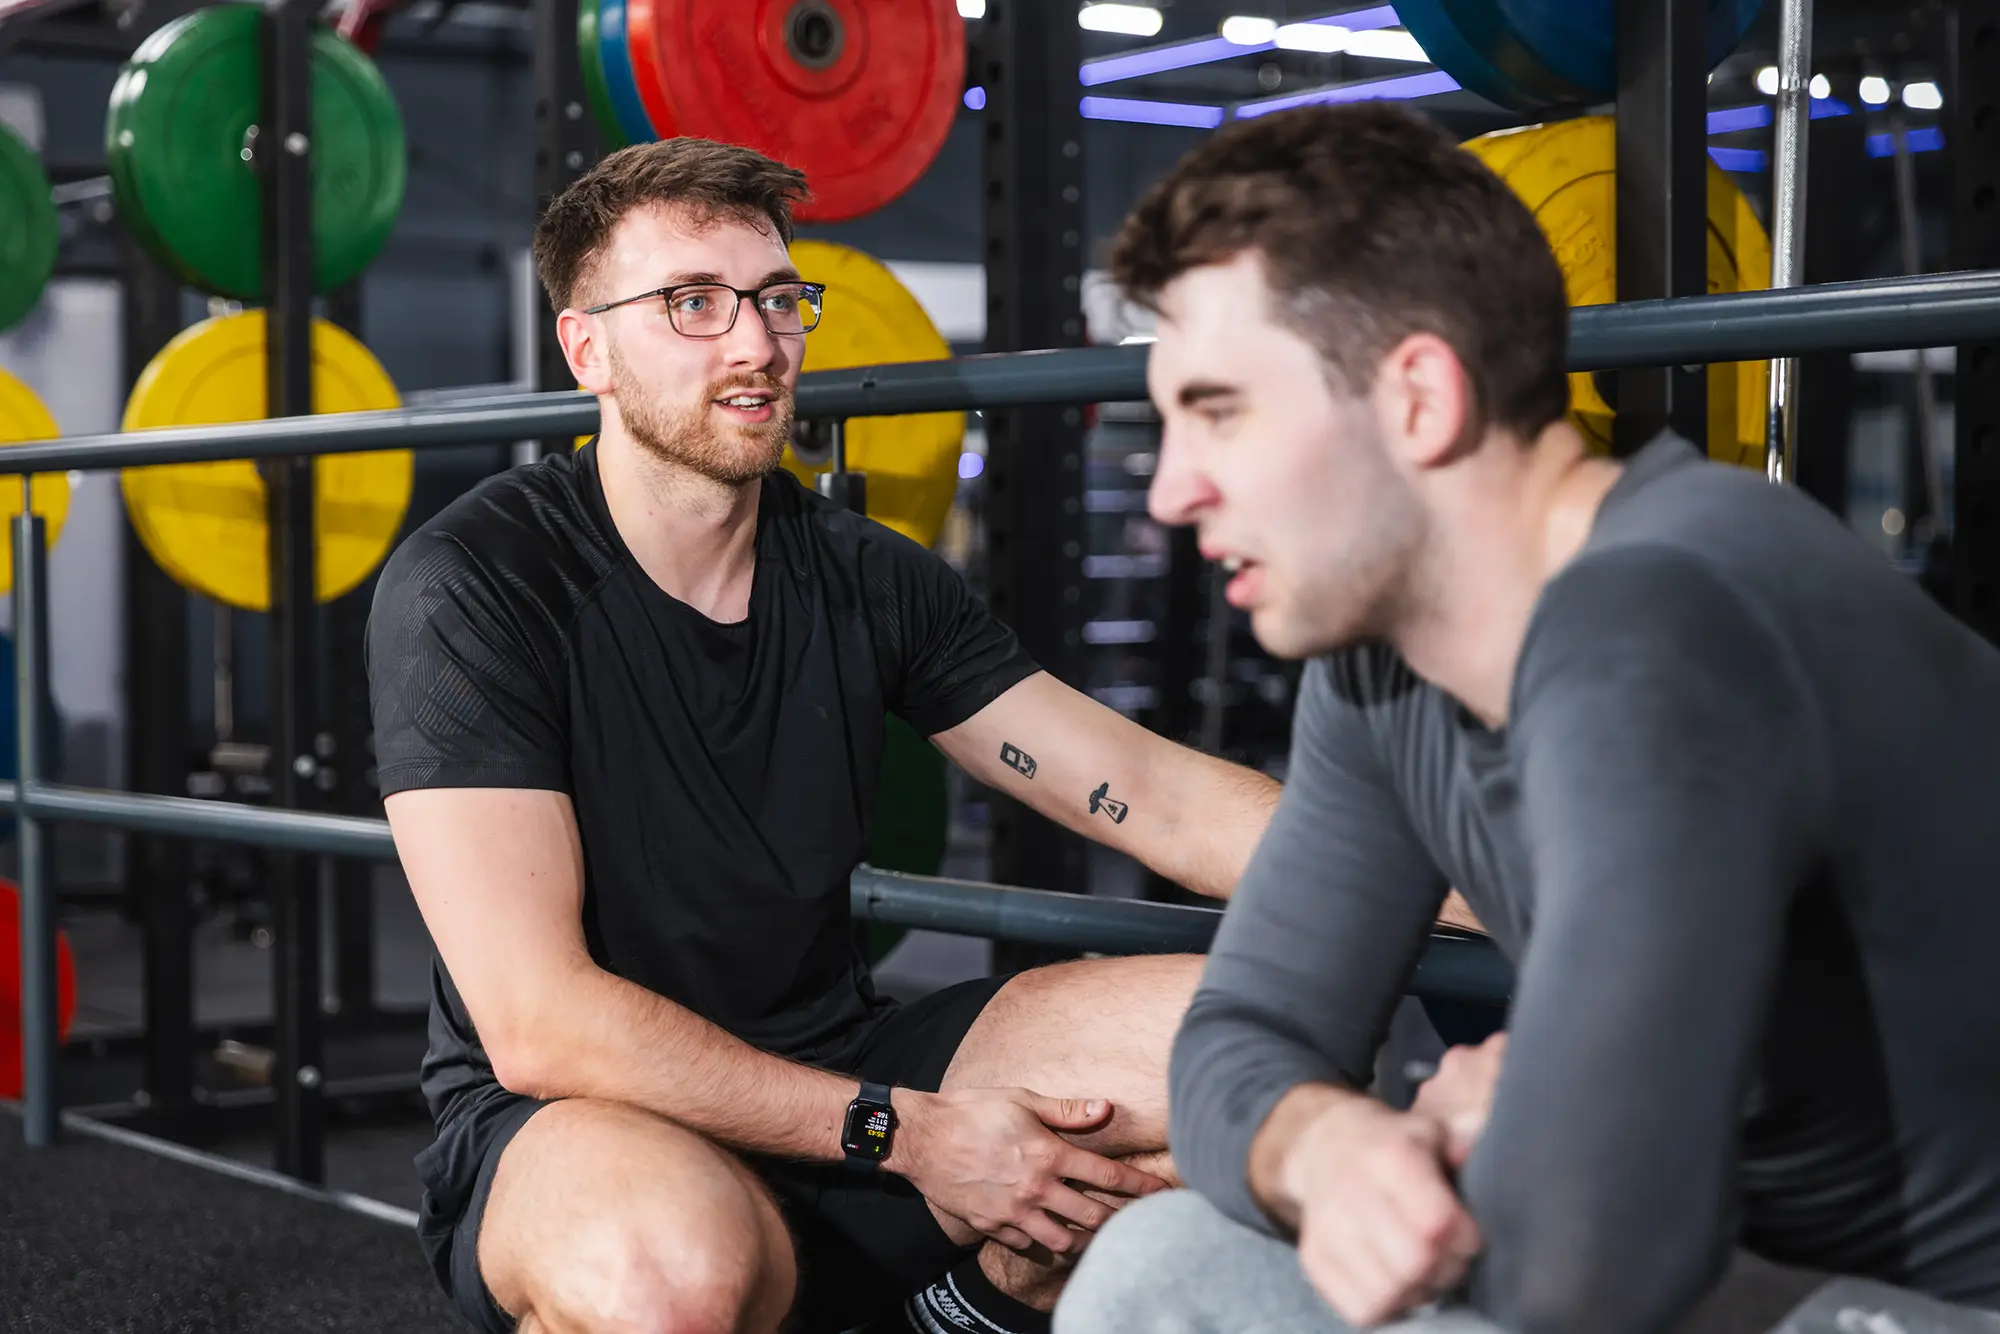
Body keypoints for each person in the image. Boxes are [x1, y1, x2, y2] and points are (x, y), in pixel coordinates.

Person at [1052, 102, 2000, 1334]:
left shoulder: (1660, 625)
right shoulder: (1385, 664)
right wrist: (1327, 1143)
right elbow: (1242, 1035)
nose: (1172, 490)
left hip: (1919, 1304)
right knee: (1164, 1261)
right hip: (1712, 1266)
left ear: (1417, 398)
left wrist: (1477, 1137)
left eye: (1220, 410)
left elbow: (1583, 1266)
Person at [365, 136, 1299, 1334]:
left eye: (773, 297)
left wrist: (1458, 878)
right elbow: (539, 1021)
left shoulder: (867, 576)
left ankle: (957, 1314)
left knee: (1262, 1048)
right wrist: (909, 1133)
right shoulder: (476, 582)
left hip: (843, 1063)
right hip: (591, 1117)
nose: (754, 344)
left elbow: (1144, 791)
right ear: (585, 347)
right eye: (691, 303)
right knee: (665, 1278)